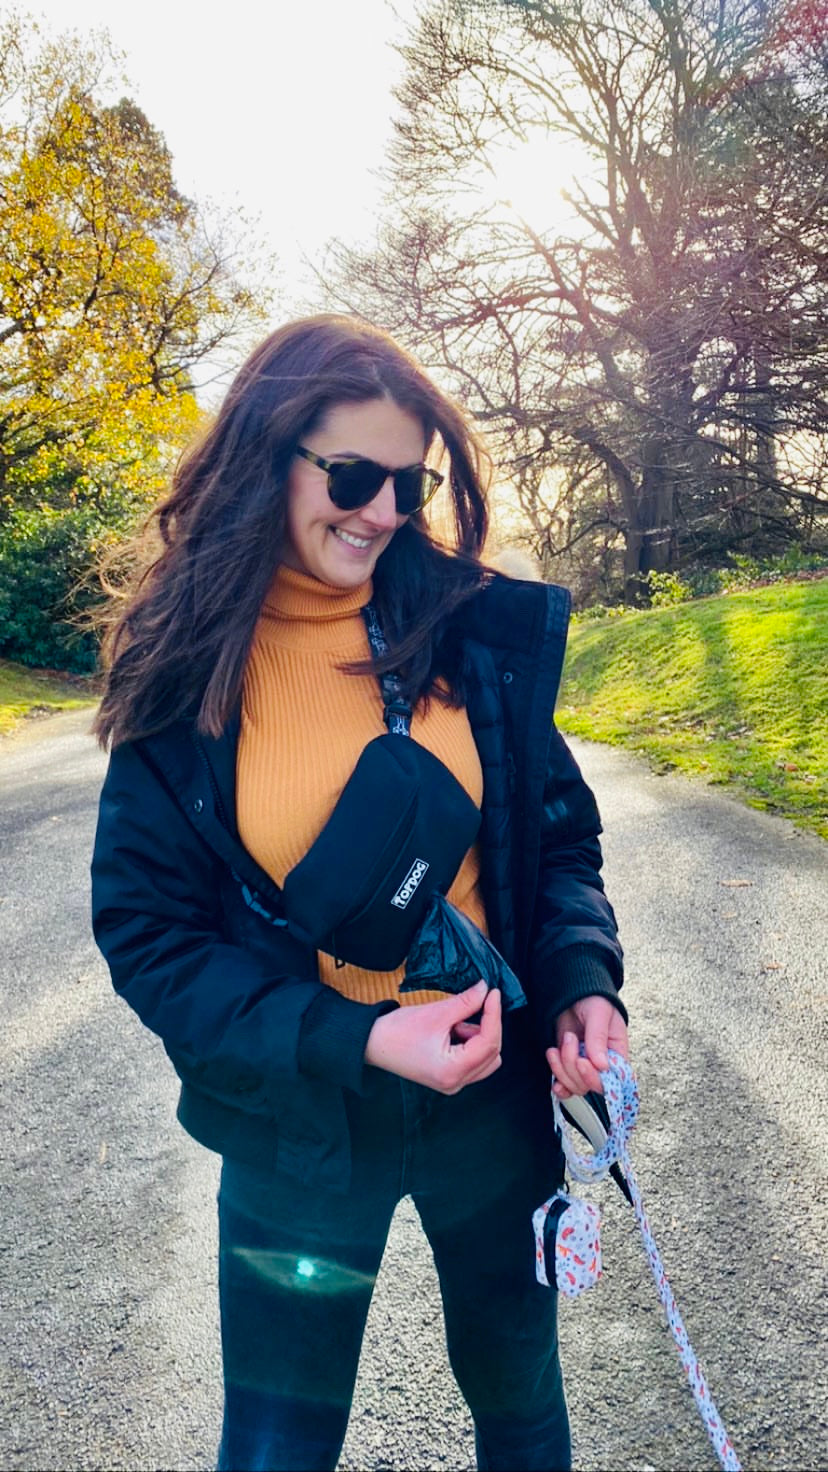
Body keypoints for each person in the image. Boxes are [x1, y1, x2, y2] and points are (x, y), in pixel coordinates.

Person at [91, 314, 629, 1472]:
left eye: (409, 481)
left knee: (522, 1403)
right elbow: (149, 936)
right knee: (280, 1440)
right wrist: (361, 1039)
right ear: (267, 458)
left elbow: (559, 841)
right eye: (352, 473)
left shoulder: (469, 631)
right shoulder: (183, 676)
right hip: (302, 1124)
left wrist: (585, 983)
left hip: (494, 1103)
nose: (383, 510)